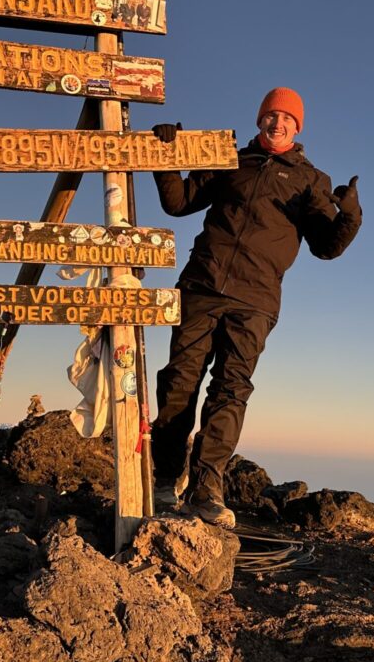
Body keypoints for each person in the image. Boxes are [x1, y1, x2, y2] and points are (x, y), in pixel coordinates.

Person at [150, 87, 362, 528]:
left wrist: (349, 217)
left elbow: (325, 247)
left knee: (230, 389)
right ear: (259, 119)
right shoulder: (229, 159)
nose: (278, 123)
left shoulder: (310, 180)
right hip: (202, 287)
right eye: (272, 115)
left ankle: (206, 489)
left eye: (288, 118)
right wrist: (165, 156)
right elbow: (179, 202)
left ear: (298, 127)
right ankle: (166, 480)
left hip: (256, 300)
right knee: (178, 383)